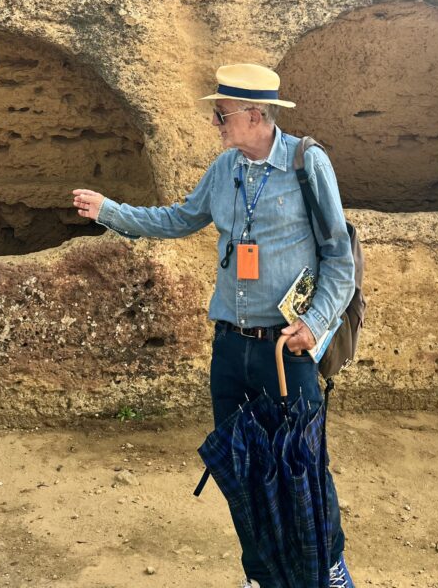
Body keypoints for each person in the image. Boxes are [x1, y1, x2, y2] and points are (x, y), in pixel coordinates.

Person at [73, 63, 356, 588]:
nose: (215, 123)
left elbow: (340, 259)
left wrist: (315, 325)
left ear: (255, 115)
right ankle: (261, 574)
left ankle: (329, 566)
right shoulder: (225, 169)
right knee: (242, 472)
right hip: (230, 348)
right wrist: (111, 211)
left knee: (304, 467)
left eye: (221, 114)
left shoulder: (306, 163)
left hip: (286, 350)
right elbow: (179, 219)